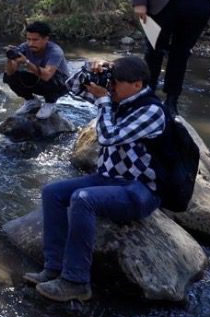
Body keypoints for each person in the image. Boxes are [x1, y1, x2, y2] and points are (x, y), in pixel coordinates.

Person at [26, 55, 165, 302]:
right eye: (112, 80)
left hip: (140, 190)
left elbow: (108, 137)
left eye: (117, 82)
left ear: (137, 84)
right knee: (52, 192)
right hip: (107, 179)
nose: (111, 86)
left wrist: (103, 101)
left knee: (84, 199)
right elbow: (72, 86)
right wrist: (89, 68)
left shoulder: (151, 110)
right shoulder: (116, 98)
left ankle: (76, 282)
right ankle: (54, 267)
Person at [3, 21, 71, 120]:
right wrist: (10, 59)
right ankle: (31, 101)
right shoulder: (24, 47)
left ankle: (50, 103)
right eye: (28, 39)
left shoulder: (55, 51)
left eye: (35, 40)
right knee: (9, 77)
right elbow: (10, 72)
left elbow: (47, 75)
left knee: (49, 77)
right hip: (40, 79)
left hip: (60, 84)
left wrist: (26, 62)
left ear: (46, 39)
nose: (31, 43)